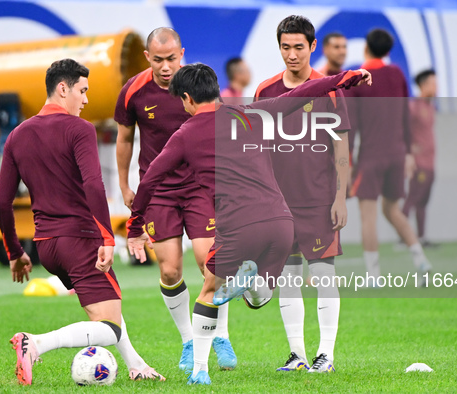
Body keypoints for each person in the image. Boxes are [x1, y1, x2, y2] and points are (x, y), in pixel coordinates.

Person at [127, 63, 371, 385]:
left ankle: (200, 370)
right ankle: (255, 285)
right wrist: (345, 78)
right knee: (260, 297)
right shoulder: (251, 114)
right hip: (282, 223)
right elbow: (301, 93)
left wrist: (135, 226)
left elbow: (151, 180)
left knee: (210, 290)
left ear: (186, 98)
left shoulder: (184, 135)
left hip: (239, 226)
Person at [0, 59, 164, 385]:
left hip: (46, 246)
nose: (85, 99)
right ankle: (36, 344)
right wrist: (107, 238)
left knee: (106, 307)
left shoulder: (16, 136)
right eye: (82, 90)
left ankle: (137, 365)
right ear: (63, 88)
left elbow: (2, 203)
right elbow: (93, 186)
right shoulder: (79, 129)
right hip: (80, 239)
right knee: (109, 328)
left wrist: (15, 253)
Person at [113, 27, 236, 371]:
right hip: (159, 191)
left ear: (182, 52)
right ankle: (188, 340)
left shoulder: (197, 85)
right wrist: (124, 186)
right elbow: (124, 140)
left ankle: (221, 333)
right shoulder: (133, 91)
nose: (166, 67)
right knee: (169, 269)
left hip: (198, 186)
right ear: (147, 58)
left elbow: (220, 128)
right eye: (158, 60)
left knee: (209, 261)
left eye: (172, 58)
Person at [255, 15, 350, 374]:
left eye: (298, 47)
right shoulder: (265, 91)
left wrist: (340, 197)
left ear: (312, 47)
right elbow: (257, 149)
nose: (292, 54)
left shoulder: (330, 89)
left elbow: (341, 148)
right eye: (285, 47)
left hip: (320, 200)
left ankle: (326, 355)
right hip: (279, 203)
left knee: (325, 275)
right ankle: (297, 355)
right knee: (290, 277)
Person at [346, 28, 432, 283]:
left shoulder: (358, 78)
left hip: (371, 156)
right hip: (397, 154)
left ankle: (373, 275)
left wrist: (347, 162)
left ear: (365, 48)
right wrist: (407, 153)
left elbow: (350, 126)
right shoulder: (397, 74)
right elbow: (405, 115)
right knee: (393, 209)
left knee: (368, 215)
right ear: (389, 50)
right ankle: (421, 259)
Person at [402, 69, 438, 247]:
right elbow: (403, 131)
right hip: (419, 162)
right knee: (413, 199)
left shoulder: (430, 107)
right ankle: (403, 239)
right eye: (433, 83)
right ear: (423, 85)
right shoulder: (413, 107)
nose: (436, 87)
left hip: (430, 162)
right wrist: (410, 153)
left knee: (423, 201)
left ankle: (421, 237)